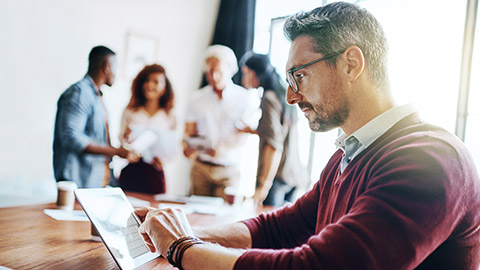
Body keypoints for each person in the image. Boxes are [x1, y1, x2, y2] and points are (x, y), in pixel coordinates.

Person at [136, 2, 480, 269]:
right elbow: (281, 229)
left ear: (350, 64)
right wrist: (171, 229)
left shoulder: (431, 159)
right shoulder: (347, 156)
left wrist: (180, 247)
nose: (291, 96)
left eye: (298, 76)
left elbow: (322, 266)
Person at [53, 45, 139, 188]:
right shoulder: (79, 94)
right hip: (77, 182)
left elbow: (97, 138)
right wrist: (116, 151)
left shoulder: (96, 96)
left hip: (95, 181)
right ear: (106, 66)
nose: (115, 73)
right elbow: (71, 137)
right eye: (115, 68)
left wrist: (122, 142)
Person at [182, 44, 257, 201]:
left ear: (230, 70)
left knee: (225, 219)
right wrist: (187, 147)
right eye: (209, 72)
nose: (214, 76)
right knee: (197, 215)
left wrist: (224, 148)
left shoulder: (245, 98)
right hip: (200, 168)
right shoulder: (196, 99)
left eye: (218, 71)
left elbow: (245, 134)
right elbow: (189, 133)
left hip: (228, 169)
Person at [239, 52, 308, 207]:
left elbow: (273, 144)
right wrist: (255, 130)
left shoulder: (269, 98)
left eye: (245, 73)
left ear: (255, 73)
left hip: (276, 177)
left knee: (268, 227)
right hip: (293, 174)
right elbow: (280, 131)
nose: (243, 78)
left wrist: (264, 185)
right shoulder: (282, 93)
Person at [118, 64, 176, 194]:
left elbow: (172, 148)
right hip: (132, 172)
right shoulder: (130, 111)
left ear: (164, 88)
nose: (150, 85)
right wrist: (127, 141)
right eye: (146, 80)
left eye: (156, 82)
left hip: (155, 175)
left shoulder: (169, 116)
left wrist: (163, 160)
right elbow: (121, 141)